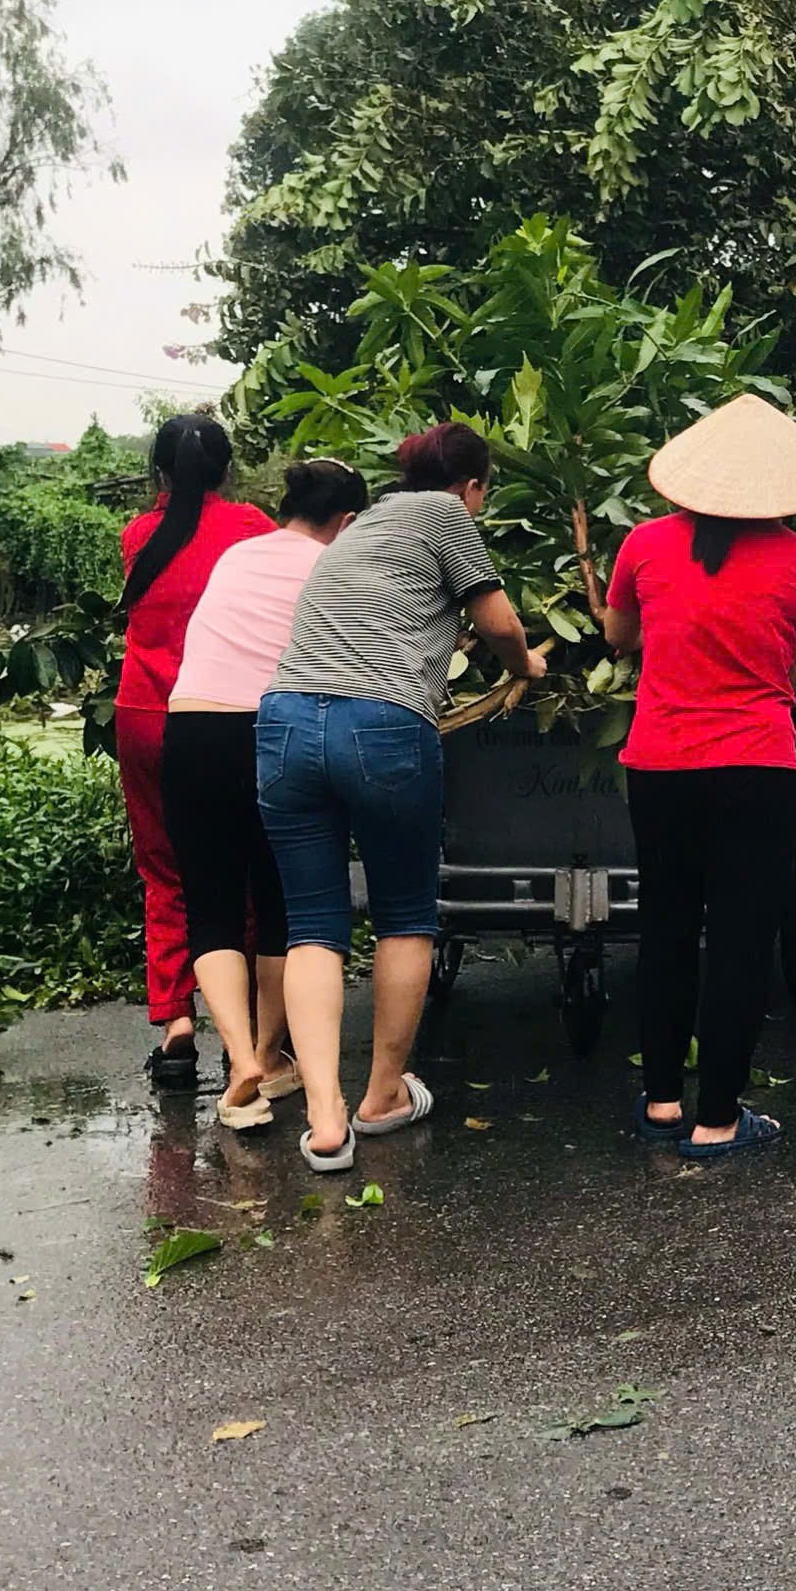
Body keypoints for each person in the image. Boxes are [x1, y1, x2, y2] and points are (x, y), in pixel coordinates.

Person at [257, 424, 545, 1172]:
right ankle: (382, 1095)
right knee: (405, 914)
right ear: (471, 486)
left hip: (285, 720)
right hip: (380, 725)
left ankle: (324, 1118)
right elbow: (499, 621)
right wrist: (528, 663)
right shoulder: (446, 514)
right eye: (484, 493)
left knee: (313, 923)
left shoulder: (365, 524)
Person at [600, 394, 796, 1159]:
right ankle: (719, 1119)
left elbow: (618, 637)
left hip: (660, 763)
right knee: (740, 938)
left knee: (667, 926)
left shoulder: (642, 544)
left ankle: (663, 1102)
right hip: (757, 764)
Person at [159, 458, 369, 1131]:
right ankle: (274, 1058)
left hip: (188, 727)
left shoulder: (238, 555)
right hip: (272, 730)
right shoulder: (333, 567)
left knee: (212, 907)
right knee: (283, 902)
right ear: (347, 522)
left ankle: (242, 1056)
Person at [117, 414, 275, 1087]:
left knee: (164, 871)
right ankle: (249, 1032)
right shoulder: (251, 529)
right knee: (241, 870)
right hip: (230, 718)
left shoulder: (137, 536)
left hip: (144, 715)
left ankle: (177, 1022)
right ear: (226, 470)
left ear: (158, 473)